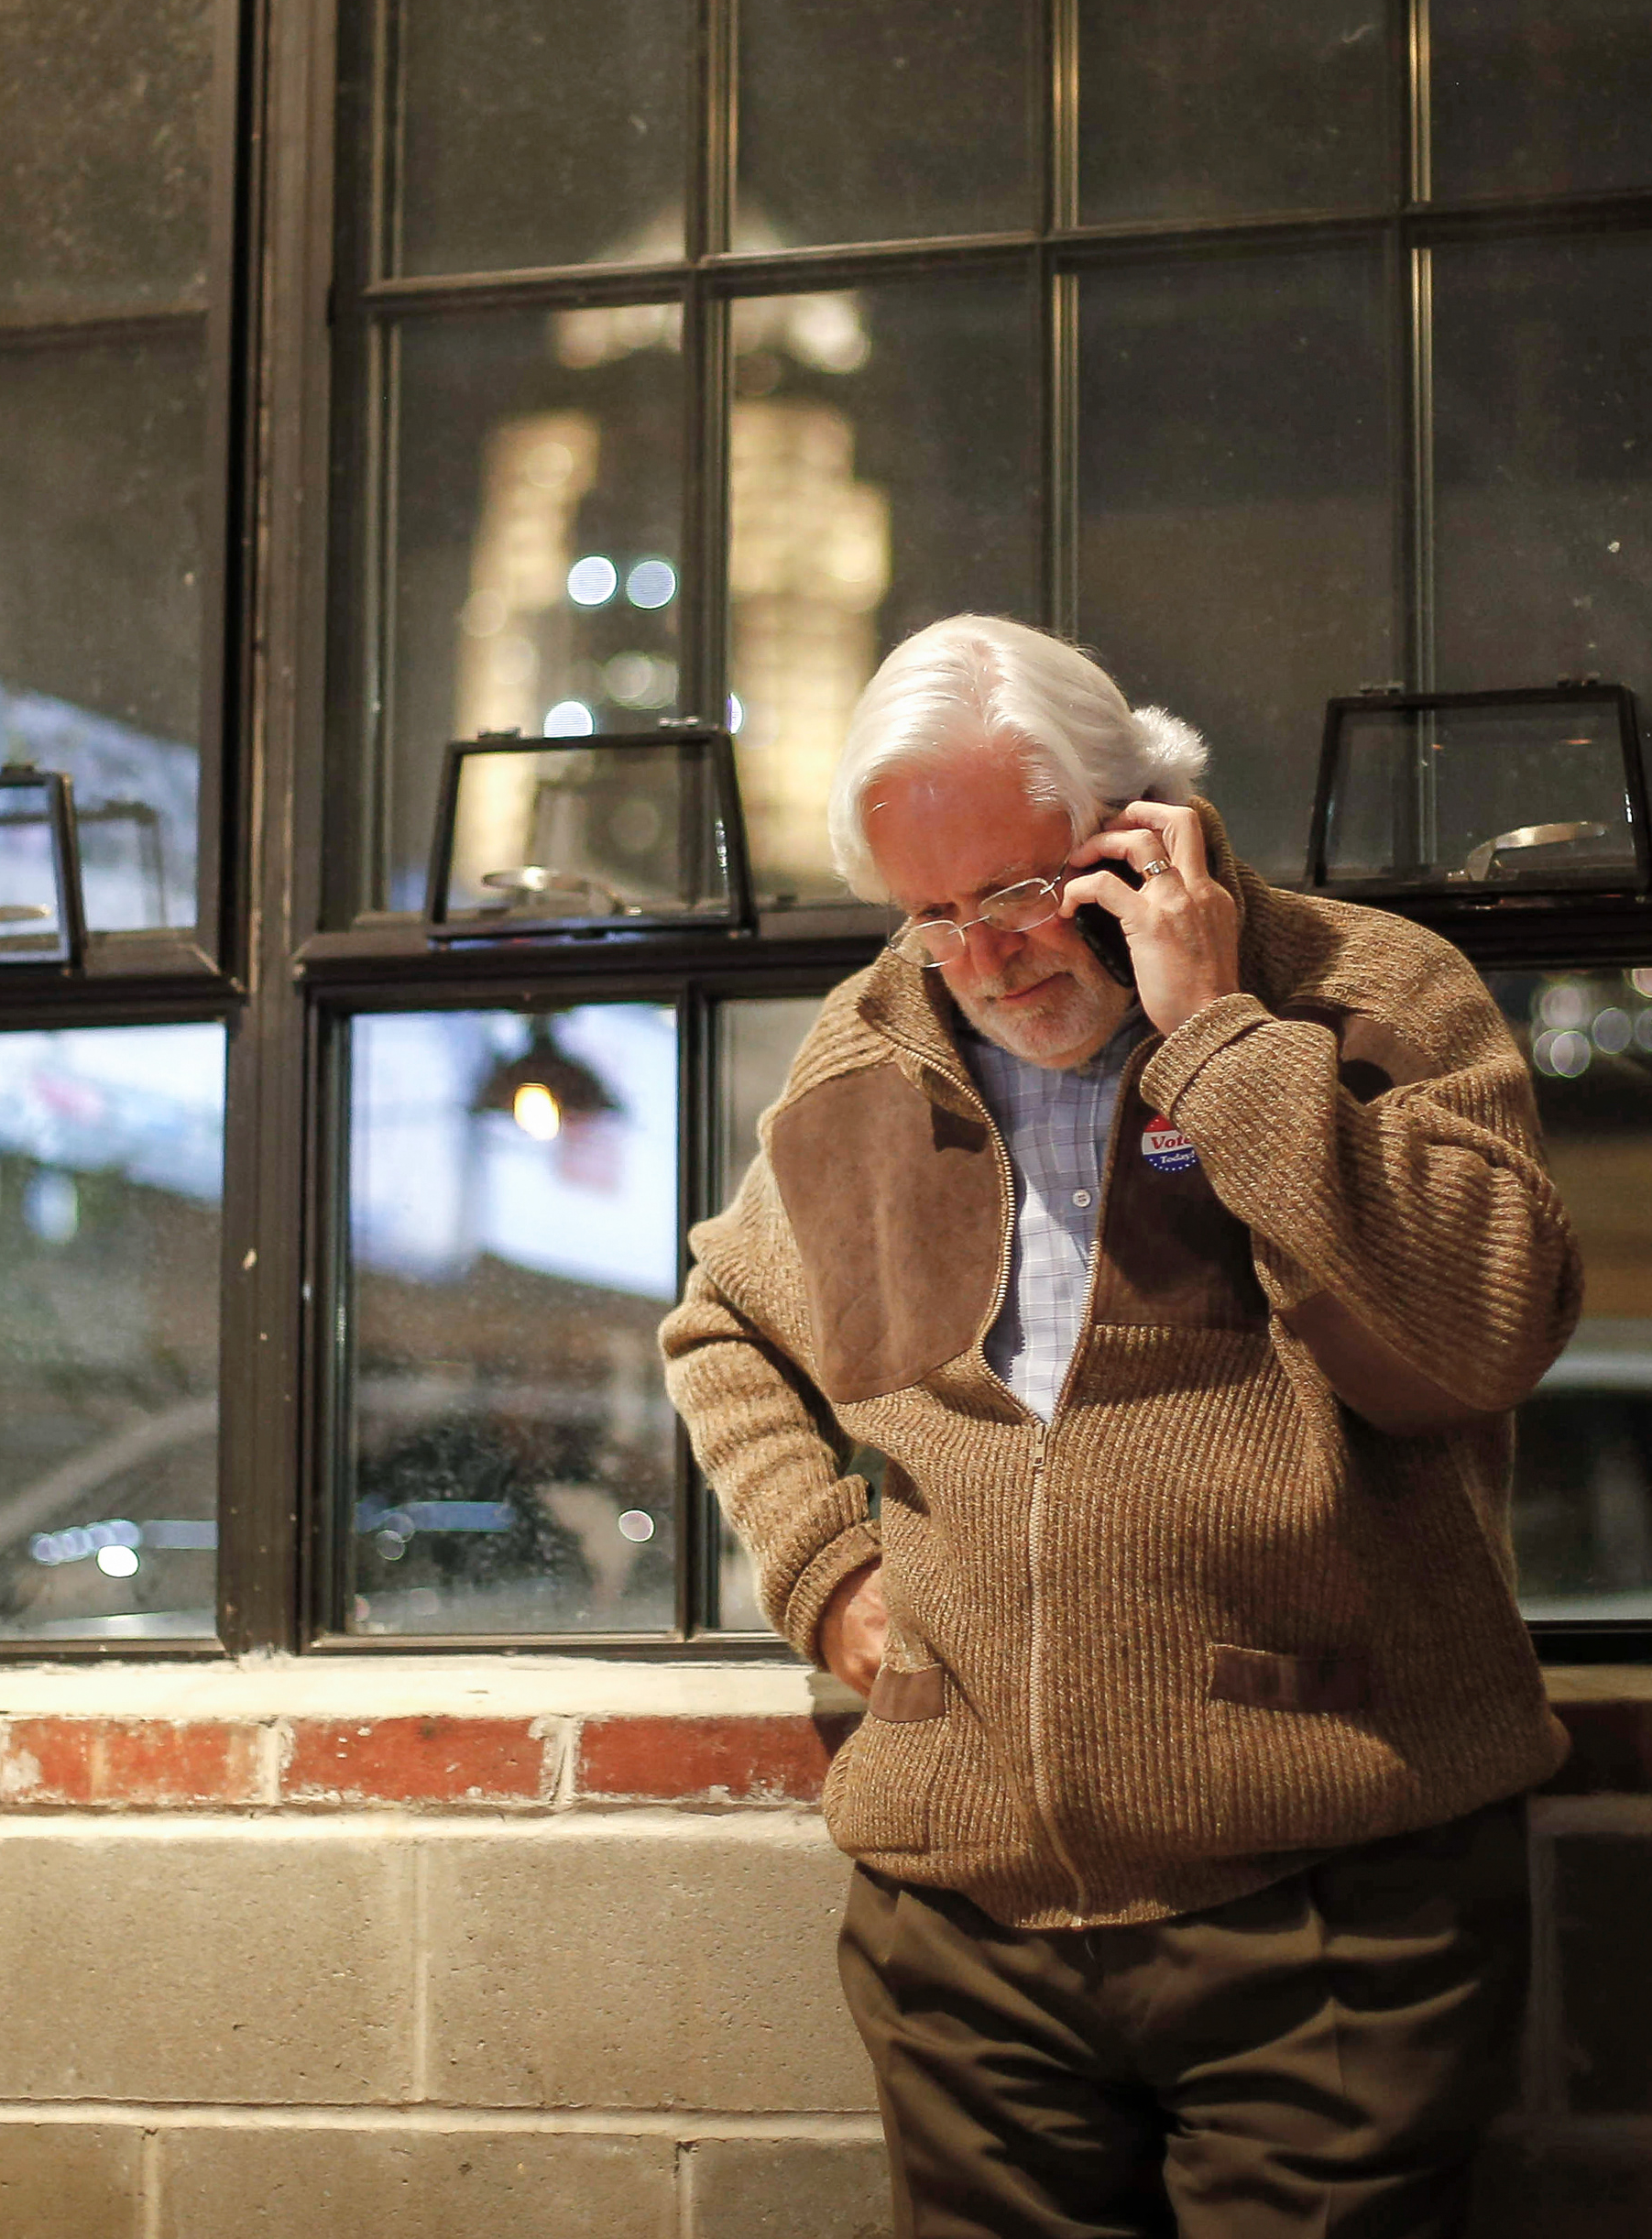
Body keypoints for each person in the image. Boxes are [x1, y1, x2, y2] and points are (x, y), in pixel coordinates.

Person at [662, 615, 1582, 2239]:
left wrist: (1223, 1037)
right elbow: (725, 1321)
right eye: (931, 914)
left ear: (1140, 824)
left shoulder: (1370, 993)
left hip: (1329, 1901)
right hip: (962, 1934)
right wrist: (828, 1572)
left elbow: (1484, 1324)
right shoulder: (881, 1041)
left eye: (1018, 894)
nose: (985, 958)